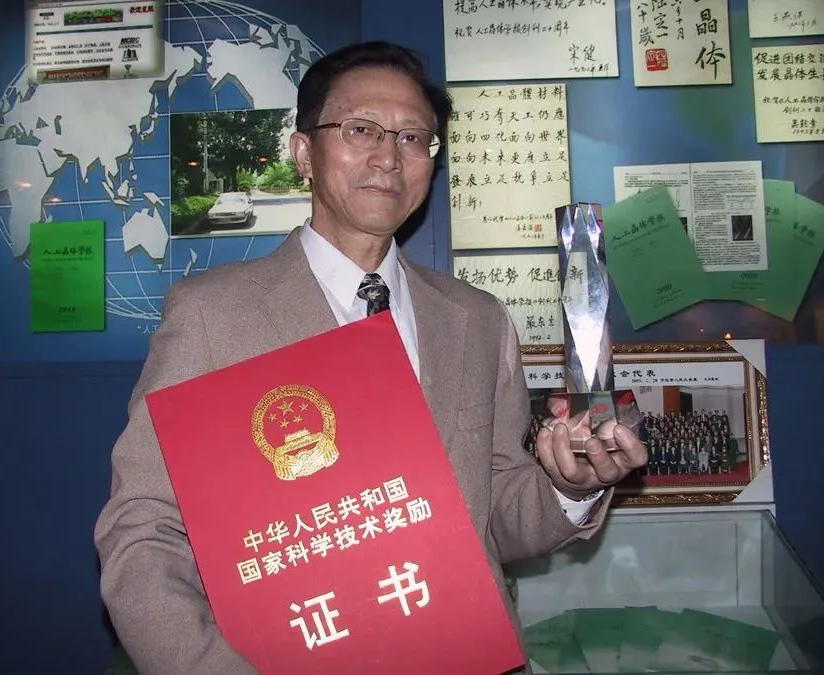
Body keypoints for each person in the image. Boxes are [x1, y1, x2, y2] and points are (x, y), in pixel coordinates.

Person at [94, 41, 647, 674]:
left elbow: (490, 512)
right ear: (304, 153)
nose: (389, 156)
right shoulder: (211, 317)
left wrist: (569, 487)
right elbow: (144, 527)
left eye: (414, 138)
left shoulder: (476, 320)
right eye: (361, 130)